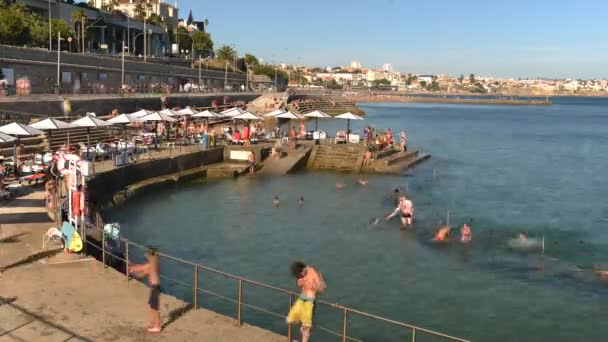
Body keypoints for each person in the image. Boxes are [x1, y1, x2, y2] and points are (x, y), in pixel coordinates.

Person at [286, 261, 326, 342]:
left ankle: (304, 337)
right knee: (299, 323)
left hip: (310, 302)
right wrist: (302, 280)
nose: (302, 274)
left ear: (304, 267)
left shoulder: (312, 272)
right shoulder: (300, 276)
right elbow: (300, 285)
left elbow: (321, 288)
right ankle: (304, 335)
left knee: (306, 327)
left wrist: (314, 285)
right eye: (299, 274)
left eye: (302, 272)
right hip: (301, 300)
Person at [128, 248, 162, 333]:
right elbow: (143, 267)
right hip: (155, 287)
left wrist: (132, 272)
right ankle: (155, 322)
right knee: (151, 305)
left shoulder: (151, 265)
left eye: (146, 254)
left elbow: (142, 274)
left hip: (155, 287)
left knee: (155, 307)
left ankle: (158, 326)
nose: (145, 255)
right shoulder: (154, 263)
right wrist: (134, 268)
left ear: (150, 255)